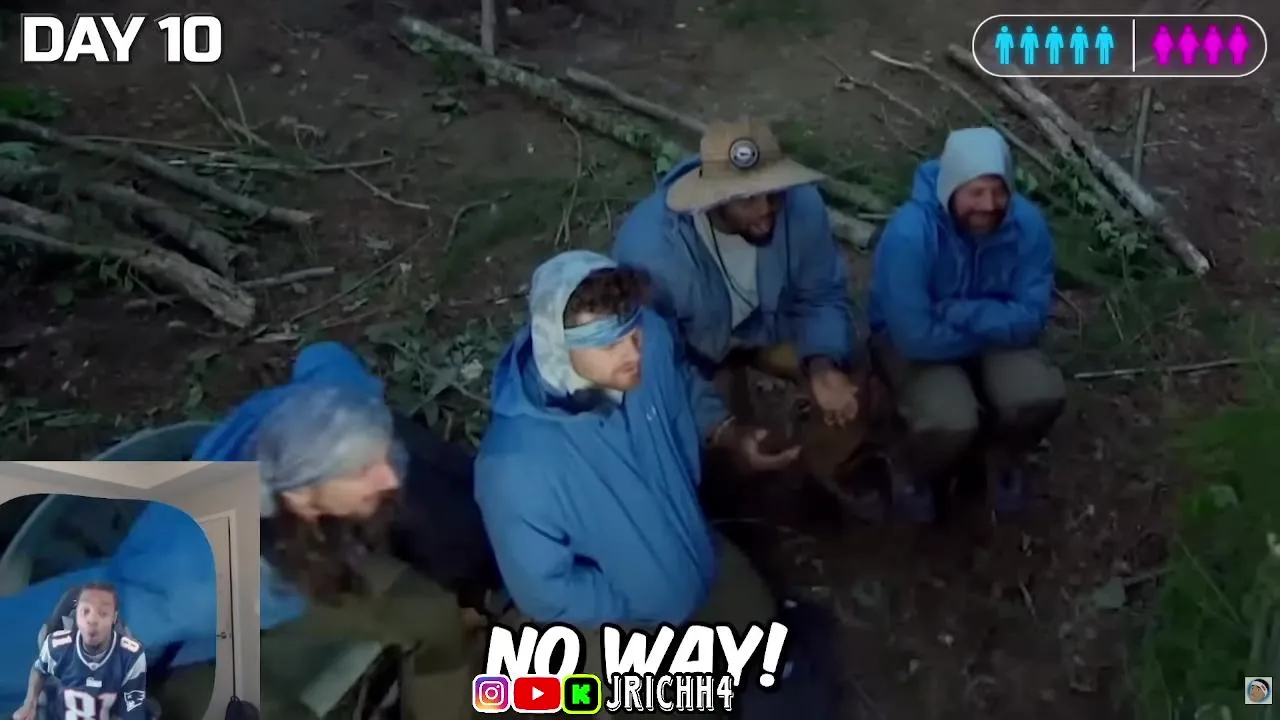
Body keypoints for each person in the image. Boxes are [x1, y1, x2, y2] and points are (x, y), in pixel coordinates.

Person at [475, 250, 785, 717]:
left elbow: (679, 383)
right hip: (628, 618)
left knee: (762, 629)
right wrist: (638, 602)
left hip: (694, 546)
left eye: (633, 331)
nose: (633, 353)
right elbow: (544, 589)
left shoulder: (651, 341)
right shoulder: (513, 468)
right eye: (608, 345)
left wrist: (726, 431)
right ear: (557, 347)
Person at [147, 341, 497, 720]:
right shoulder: (185, 577)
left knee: (430, 615)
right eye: (362, 471)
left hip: (298, 567)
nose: (389, 477)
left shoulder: (328, 409)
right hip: (192, 653)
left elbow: (324, 356)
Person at [613, 117, 874, 510]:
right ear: (713, 198)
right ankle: (742, 505)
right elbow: (657, 363)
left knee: (848, 370)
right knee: (712, 455)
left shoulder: (801, 206)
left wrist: (823, 365)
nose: (767, 210)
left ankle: (822, 472)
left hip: (767, 325)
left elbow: (820, 294)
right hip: (695, 351)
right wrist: (725, 430)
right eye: (748, 199)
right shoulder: (650, 253)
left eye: (773, 193)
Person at [868, 127, 1066, 521]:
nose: (988, 205)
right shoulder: (910, 235)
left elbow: (1032, 317)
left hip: (976, 331)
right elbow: (915, 337)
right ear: (951, 188)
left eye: (999, 192)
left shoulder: (1027, 226)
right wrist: (996, 325)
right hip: (918, 345)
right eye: (975, 192)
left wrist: (962, 312)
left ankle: (1004, 454)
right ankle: (914, 469)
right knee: (951, 420)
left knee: (1040, 394)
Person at [13, 583, 148, 720]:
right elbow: (39, 668)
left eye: (102, 613)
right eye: (85, 612)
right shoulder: (56, 647)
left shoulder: (131, 656)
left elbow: (131, 710)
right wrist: (30, 703)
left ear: (114, 617)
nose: (92, 620)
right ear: (76, 614)